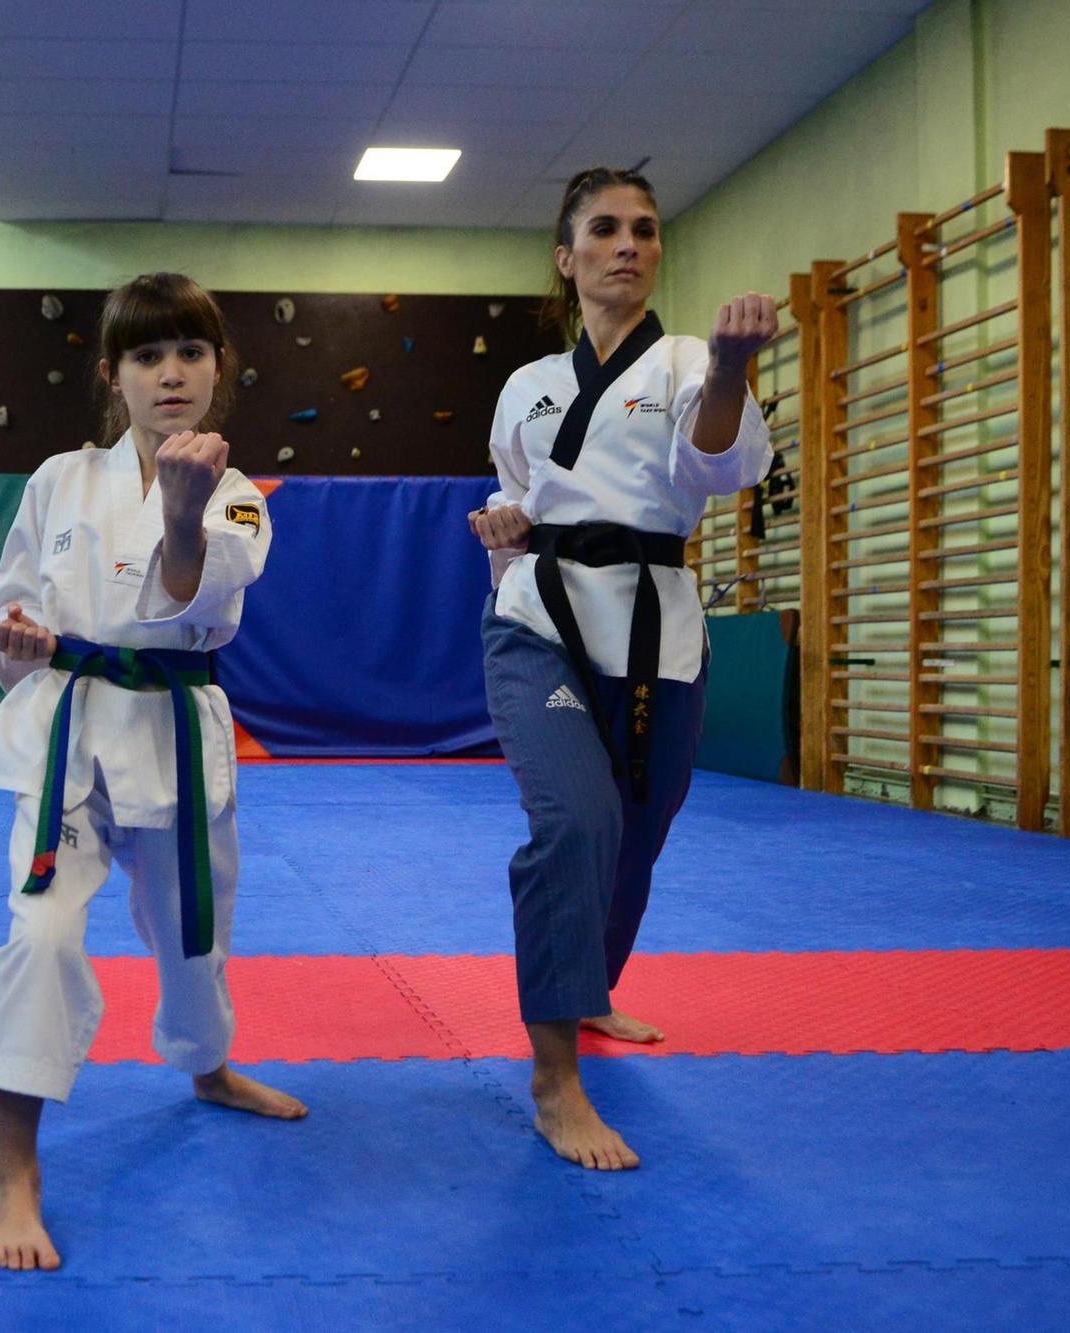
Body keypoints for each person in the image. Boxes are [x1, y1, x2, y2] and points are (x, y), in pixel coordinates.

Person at [0, 273, 308, 1271]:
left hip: (173, 730)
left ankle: (206, 1067)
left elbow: (192, 598)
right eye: (147, 355)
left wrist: (183, 515)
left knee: (191, 939)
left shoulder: (239, 500)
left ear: (219, 371)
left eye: (191, 352)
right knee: (36, 932)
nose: (171, 373)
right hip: (68, 734)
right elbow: (12, 606)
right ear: (111, 374)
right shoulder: (56, 480)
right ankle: (14, 1169)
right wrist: (18, 637)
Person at [471, 169, 775, 1169]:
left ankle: (588, 985)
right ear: (565, 258)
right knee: (575, 820)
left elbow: (719, 467)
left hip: (655, 630)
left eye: (643, 230)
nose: (627, 244)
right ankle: (554, 1078)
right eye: (602, 229)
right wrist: (501, 528)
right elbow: (511, 501)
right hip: (539, 621)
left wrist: (730, 371)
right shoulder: (527, 385)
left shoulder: (690, 359)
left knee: (635, 836)